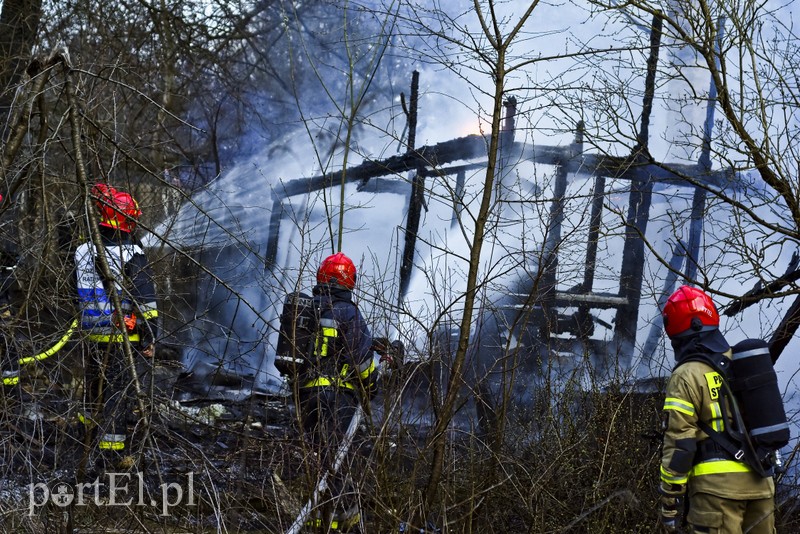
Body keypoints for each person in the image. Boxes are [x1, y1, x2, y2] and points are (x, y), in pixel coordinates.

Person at [659, 285, 775, 534]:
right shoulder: (744, 363)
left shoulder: (686, 375)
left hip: (716, 494)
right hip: (762, 486)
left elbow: (680, 445)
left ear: (675, 331)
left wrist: (670, 503)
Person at [293, 251, 393, 531]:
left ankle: (318, 521)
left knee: (318, 460)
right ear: (349, 280)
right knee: (342, 462)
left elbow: (323, 348)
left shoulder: (306, 310)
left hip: (306, 398)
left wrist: (373, 343)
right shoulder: (348, 312)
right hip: (337, 399)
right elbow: (359, 362)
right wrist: (372, 385)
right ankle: (340, 525)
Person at [75, 184, 158, 466]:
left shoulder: (83, 251)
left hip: (91, 334)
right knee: (116, 397)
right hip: (123, 339)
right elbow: (146, 301)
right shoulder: (132, 254)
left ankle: (82, 443)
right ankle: (111, 457)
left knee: (92, 389)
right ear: (127, 220)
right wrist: (150, 337)